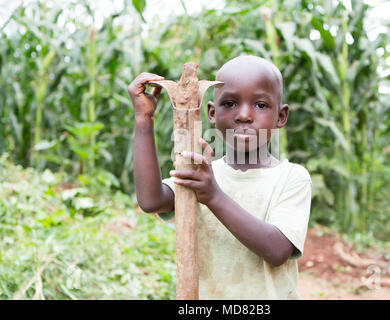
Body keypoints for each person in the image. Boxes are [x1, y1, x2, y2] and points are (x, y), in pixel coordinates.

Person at [127, 55, 312, 299]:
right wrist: (144, 119)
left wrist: (213, 196)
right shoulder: (203, 175)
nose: (244, 115)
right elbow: (151, 200)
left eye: (260, 105)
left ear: (281, 116)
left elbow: (277, 250)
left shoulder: (291, 178)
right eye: (230, 103)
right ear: (212, 113)